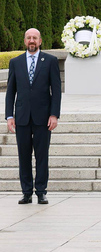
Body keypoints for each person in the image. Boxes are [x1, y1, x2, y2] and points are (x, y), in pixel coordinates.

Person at [5, 28, 61, 204]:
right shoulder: (16, 62)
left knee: (42, 155)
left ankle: (41, 191)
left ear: (40, 41)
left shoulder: (50, 61)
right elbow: (10, 91)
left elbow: (57, 90)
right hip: (21, 116)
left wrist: (54, 114)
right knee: (23, 155)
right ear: (24, 41)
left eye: (34, 38)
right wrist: (9, 116)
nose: (31, 40)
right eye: (29, 38)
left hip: (43, 117)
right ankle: (27, 192)